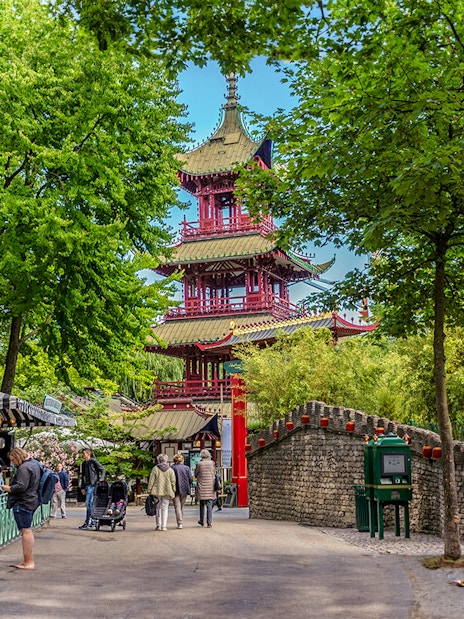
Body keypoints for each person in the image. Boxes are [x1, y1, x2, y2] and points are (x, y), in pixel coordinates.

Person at [1, 447, 41, 569]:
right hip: (31, 500)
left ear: (17, 457)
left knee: (25, 531)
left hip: (23, 502)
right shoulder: (34, 464)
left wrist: (7, 488)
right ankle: (27, 560)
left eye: (13, 460)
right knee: (27, 530)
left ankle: (28, 561)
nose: (12, 462)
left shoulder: (24, 468)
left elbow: (21, 486)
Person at [147, 453, 176, 531]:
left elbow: (151, 480)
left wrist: (149, 489)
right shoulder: (170, 470)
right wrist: (173, 489)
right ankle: (164, 526)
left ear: (159, 460)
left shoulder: (155, 469)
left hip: (157, 491)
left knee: (158, 507)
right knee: (165, 508)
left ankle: (158, 525)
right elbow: (173, 481)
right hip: (167, 490)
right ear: (166, 460)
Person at [79, 448, 105, 530]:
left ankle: (91, 521)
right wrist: (82, 487)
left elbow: (103, 469)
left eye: (83, 453)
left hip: (93, 484)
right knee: (89, 503)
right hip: (87, 485)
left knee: (89, 503)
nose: (82, 455)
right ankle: (91, 521)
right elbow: (83, 475)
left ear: (88, 454)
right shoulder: (83, 463)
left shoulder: (93, 461)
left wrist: (101, 479)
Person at [194, 449, 216, 528]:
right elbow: (214, 473)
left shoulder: (199, 464)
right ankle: (209, 522)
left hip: (202, 486)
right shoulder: (212, 463)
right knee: (209, 505)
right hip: (210, 486)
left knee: (202, 504)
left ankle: (201, 520)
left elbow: (196, 474)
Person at [171, 453, 192, 529]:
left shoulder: (172, 468)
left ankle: (180, 523)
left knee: (177, 506)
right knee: (181, 506)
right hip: (184, 489)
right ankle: (180, 521)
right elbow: (190, 479)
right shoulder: (186, 468)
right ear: (182, 460)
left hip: (175, 489)